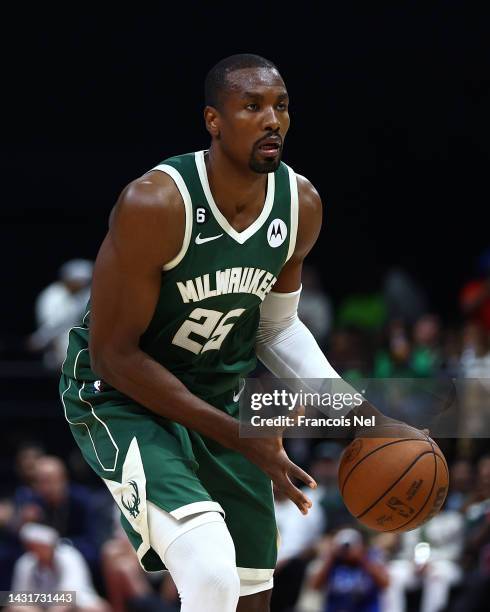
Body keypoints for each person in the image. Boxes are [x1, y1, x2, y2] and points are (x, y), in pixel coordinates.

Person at [58, 53, 391, 612]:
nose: (272, 120)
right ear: (214, 120)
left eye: (281, 106)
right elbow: (112, 356)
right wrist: (238, 434)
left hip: (219, 396)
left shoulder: (300, 204)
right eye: (252, 106)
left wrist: (371, 421)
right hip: (119, 397)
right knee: (211, 572)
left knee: (250, 594)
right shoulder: (156, 203)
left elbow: (278, 330)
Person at [8, 522, 108, 612]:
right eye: (30, 545)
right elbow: (19, 597)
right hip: (39, 607)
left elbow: (69, 595)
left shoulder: (69, 555)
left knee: (95, 609)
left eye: (38, 545)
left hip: (75, 606)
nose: (35, 549)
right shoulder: (25, 562)